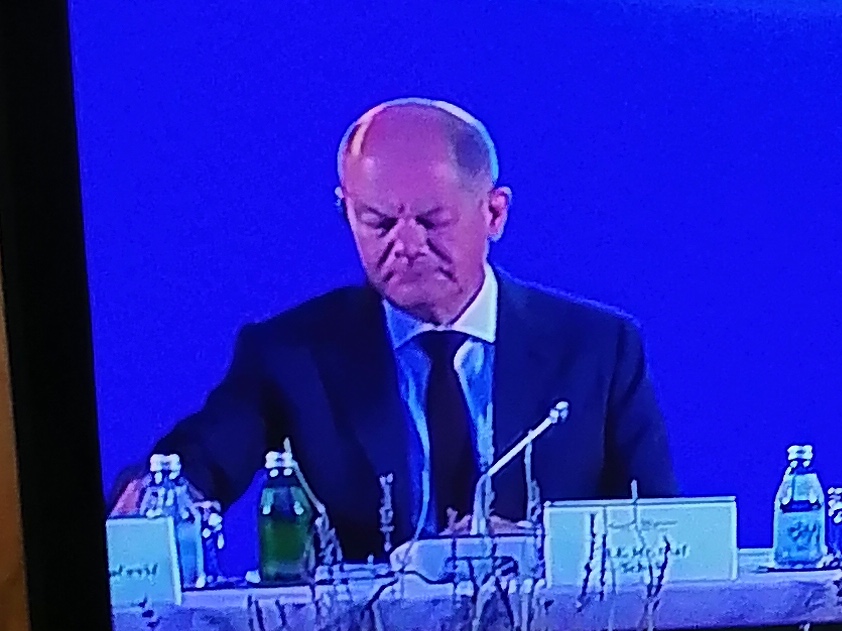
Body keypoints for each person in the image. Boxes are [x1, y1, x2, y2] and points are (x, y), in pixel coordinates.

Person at [115, 98, 673, 558]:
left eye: (432, 221)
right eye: (378, 222)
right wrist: (153, 505)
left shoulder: (599, 349)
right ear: (346, 211)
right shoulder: (290, 355)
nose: (406, 245)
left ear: (494, 213)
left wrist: (540, 549)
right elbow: (196, 464)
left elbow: (660, 531)